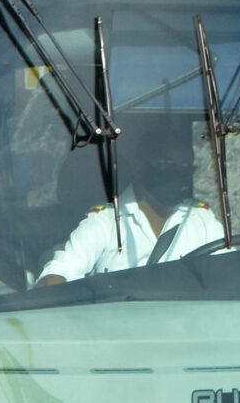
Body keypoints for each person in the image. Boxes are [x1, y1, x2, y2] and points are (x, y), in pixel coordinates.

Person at [36, 117, 225, 285]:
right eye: (166, 165)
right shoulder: (106, 222)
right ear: (141, 168)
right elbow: (59, 273)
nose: (177, 175)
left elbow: (229, 274)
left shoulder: (203, 221)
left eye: (185, 168)